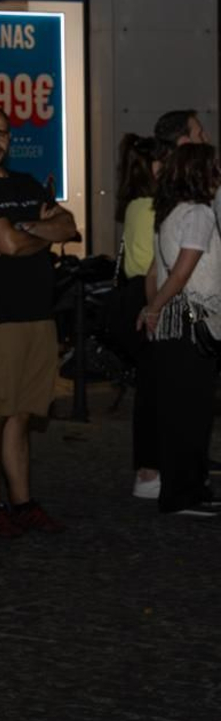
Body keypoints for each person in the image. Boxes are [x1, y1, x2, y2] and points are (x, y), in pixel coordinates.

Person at [0, 106, 78, 537]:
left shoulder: (25, 183)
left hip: (38, 317)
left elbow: (69, 226)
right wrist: (34, 233)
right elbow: (8, 244)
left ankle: (23, 504)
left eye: (2, 133)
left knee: (22, 415)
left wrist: (24, 230)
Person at [141, 143, 221, 516]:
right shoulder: (201, 214)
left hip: (172, 324)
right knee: (193, 412)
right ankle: (182, 495)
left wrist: (153, 307)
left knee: (178, 410)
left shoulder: (168, 212)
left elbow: (155, 270)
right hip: (193, 323)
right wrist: (154, 307)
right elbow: (183, 270)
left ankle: (187, 489)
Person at [115, 134, 165, 499]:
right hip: (147, 298)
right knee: (154, 391)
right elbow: (154, 266)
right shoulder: (150, 207)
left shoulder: (135, 204)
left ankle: (150, 470)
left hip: (138, 295)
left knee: (150, 389)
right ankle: (149, 472)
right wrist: (156, 309)